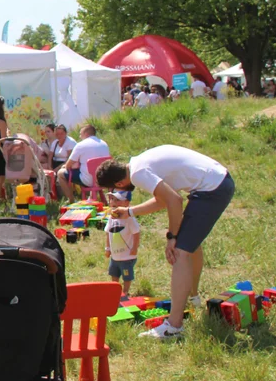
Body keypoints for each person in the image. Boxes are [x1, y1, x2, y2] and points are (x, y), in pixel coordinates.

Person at [96, 145, 235, 339]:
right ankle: (193, 298)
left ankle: (174, 326)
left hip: (212, 190)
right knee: (190, 246)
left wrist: (172, 237)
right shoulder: (139, 161)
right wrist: (129, 212)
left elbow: (174, 201)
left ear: (119, 183)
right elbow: (163, 200)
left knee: (180, 252)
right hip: (217, 181)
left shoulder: (138, 174)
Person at [58, 124, 110, 202]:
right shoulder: (104, 144)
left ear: (86, 134)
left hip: (88, 180)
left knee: (60, 173)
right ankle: (93, 198)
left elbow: (68, 165)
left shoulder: (80, 145)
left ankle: (71, 200)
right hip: (104, 179)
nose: (79, 136)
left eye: (80, 134)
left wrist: (64, 166)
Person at [105, 190, 141, 299]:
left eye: (118, 200)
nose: (114, 202)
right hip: (115, 255)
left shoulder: (129, 219)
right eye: (112, 199)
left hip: (127, 256)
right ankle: (115, 290)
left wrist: (134, 248)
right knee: (114, 273)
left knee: (127, 275)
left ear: (127, 203)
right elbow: (108, 233)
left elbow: (136, 233)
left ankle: (125, 292)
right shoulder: (111, 218)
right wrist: (107, 248)